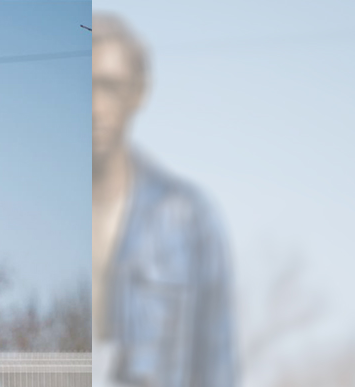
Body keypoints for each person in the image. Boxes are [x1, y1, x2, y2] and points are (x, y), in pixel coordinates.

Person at [92, 13, 237, 387]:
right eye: (88, 86)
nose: (96, 106)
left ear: (138, 92)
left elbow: (217, 365)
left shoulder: (188, 220)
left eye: (110, 86)